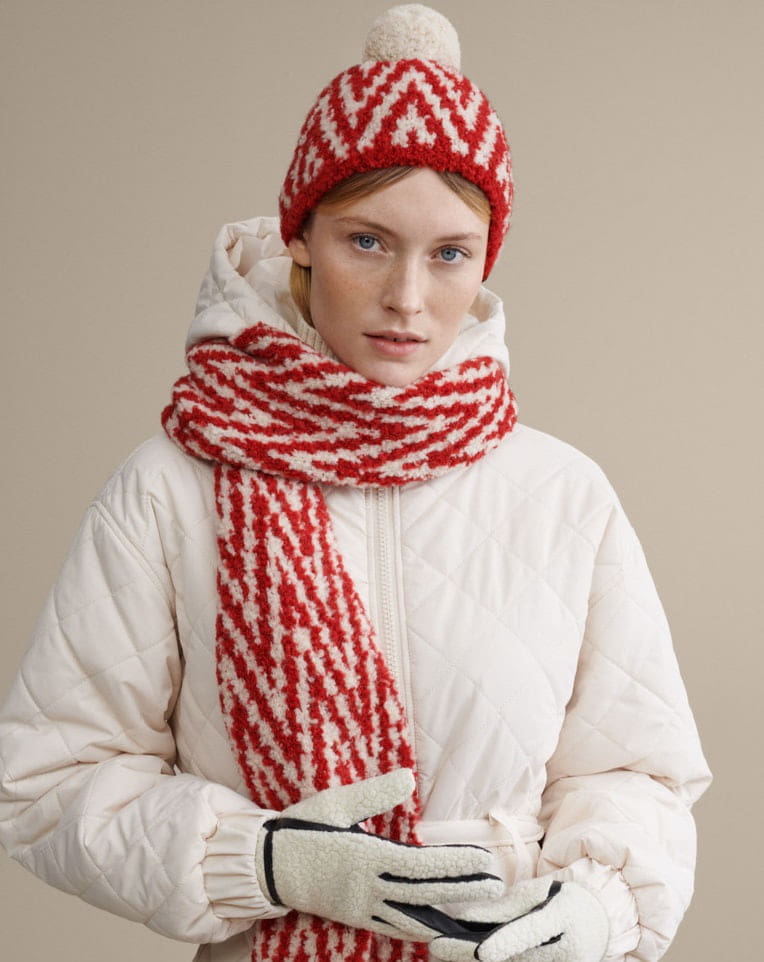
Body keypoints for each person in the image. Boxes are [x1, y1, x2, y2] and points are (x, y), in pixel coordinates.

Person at [0, 5, 710, 962]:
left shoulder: (561, 492)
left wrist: (602, 907)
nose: (409, 300)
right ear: (300, 236)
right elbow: (48, 778)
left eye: (450, 253)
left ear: (485, 260)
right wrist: (269, 863)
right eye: (367, 241)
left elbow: (639, 773)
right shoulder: (172, 485)